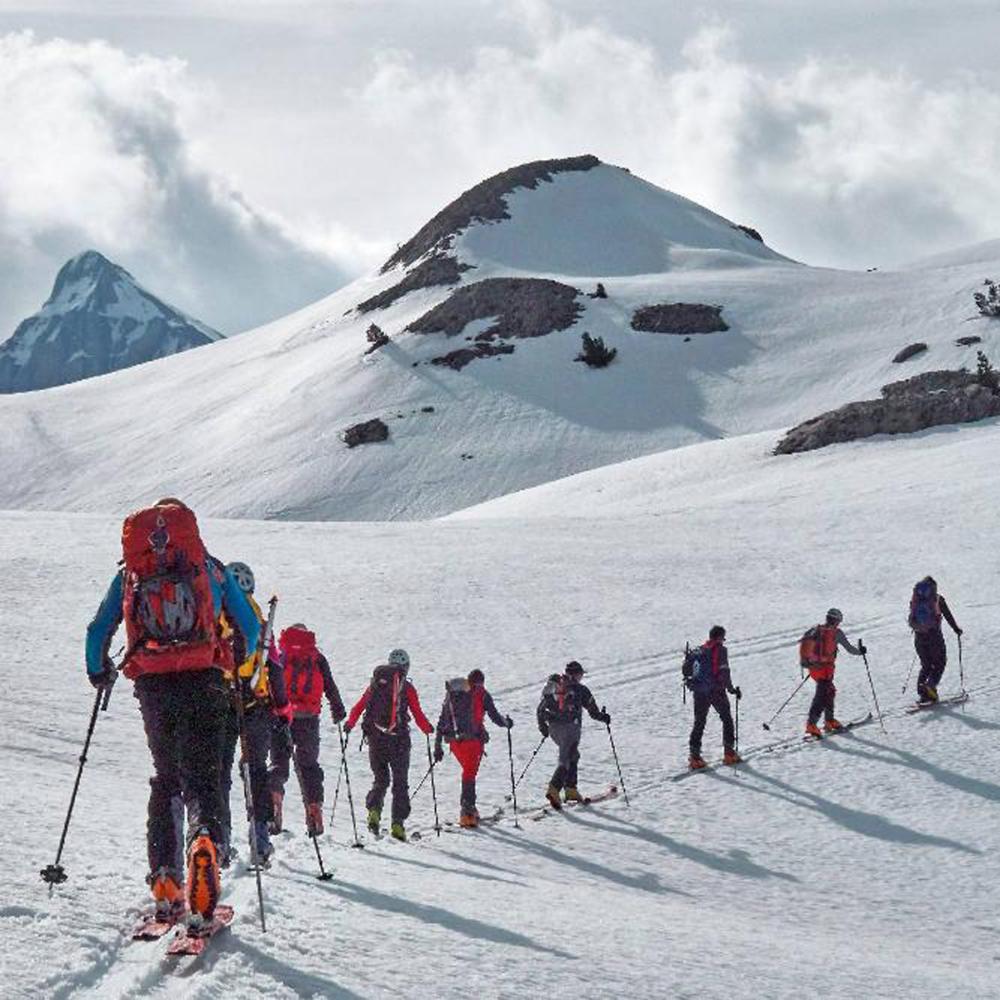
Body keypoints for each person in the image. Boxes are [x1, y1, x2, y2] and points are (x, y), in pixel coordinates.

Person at [84, 499, 258, 925]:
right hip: (205, 680)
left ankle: (164, 875)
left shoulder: (130, 573)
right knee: (203, 779)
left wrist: (99, 671)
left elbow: (96, 631)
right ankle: (204, 846)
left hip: (153, 686)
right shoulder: (210, 567)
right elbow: (250, 629)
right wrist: (238, 659)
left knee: (166, 779)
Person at [217, 561, 289, 868]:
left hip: (219, 702)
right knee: (255, 770)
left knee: (217, 773)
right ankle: (259, 840)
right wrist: (283, 709)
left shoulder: (213, 614)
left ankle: (218, 840)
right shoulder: (260, 620)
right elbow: (273, 667)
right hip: (255, 705)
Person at [344, 649, 433, 841]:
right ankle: (397, 824)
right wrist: (428, 729)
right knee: (400, 783)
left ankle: (374, 812)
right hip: (399, 740)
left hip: (376, 739)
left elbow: (359, 706)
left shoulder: (376, 684)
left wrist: (350, 723)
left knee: (381, 779)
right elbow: (417, 713)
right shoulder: (407, 688)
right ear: (406, 668)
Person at [267, 622, 345, 836]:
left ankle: (274, 802)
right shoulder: (316, 657)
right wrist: (337, 709)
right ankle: (314, 812)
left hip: (281, 715)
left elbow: (270, 679)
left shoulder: (281, 653)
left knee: (278, 763)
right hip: (309, 718)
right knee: (309, 766)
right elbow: (329, 685)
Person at [433, 669, 513, 827]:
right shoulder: (482, 694)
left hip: (455, 742)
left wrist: (438, 746)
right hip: (473, 742)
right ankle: (467, 812)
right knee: (469, 774)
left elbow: (442, 720)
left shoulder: (452, 696)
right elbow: (495, 717)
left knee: (468, 773)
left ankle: (470, 808)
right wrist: (507, 723)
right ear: (481, 682)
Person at [536, 660, 609, 809]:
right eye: (581, 674)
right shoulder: (581, 690)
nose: (581, 677)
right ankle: (554, 789)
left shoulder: (554, 687)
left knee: (574, 755)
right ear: (576, 675)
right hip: (570, 728)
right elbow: (593, 712)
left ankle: (571, 789)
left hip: (554, 728)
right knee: (566, 759)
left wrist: (542, 726)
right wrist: (604, 717)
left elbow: (540, 708)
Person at [799, 608, 866, 737]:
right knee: (821, 696)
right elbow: (850, 649)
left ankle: (829, 720)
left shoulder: (815, 630)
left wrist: (810, 663)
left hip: (814, 668)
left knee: (829, 691)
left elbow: (806, 649)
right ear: (837, 621)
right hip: (825, 669)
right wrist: (861, 651)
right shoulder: (836, 633)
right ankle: (812, 724)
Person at [685, 626, 742, 769]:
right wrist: (731, 689)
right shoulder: (720, 650)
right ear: (718, 637)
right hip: (715, 690)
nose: (723, 640)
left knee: (699, 722)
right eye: (723, 637)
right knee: (726, 719)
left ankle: (695, 756)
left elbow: (687, 670)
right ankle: (729, 753)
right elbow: (724, 671)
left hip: (699, 691)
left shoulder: (699, 650)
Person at [908, 576, 963, 704]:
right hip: (934, 636)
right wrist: (956, 629)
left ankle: (923, 694)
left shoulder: (915, 600)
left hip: (919, 637)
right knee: (940, 663)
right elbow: (947, 615)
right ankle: (930, 686)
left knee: (926, 665)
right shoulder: (937, 599)